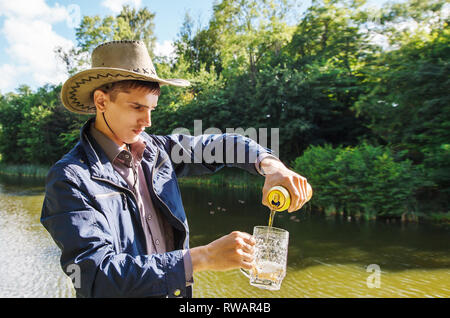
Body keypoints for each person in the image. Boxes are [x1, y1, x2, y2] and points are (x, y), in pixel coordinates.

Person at [41, 40, 310, 298]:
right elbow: (95, 279)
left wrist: (271, 165)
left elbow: (224, 144)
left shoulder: (158, 152)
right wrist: (203, 257)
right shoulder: (70, 178)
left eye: (152, 109)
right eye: (136, 107)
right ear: (101, 101)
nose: (147, 121)